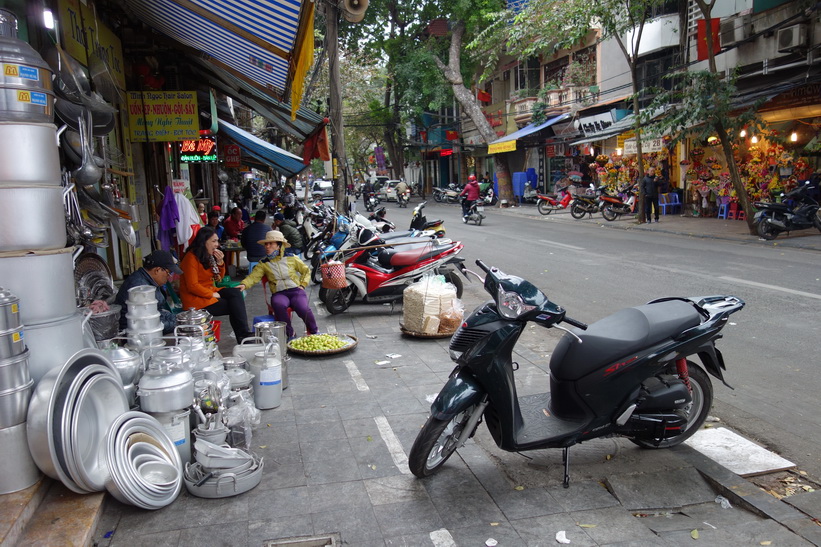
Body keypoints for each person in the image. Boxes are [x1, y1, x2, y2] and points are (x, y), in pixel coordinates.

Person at [238, 231, 318, 340]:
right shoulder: (264, 263)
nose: (267, 246)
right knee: (278, 305)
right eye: (266, 244)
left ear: (279, 245)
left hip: (296, 291)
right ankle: (290, 333)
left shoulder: (291, 258)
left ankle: (314, 331)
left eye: (271, 244)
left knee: (303, 308)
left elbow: (306, 270)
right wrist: (244, 284)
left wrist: (302, 285)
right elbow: (253, 276)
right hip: (279, 293)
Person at [179, 226, 253, 342]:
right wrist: (212, 295)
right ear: (204, 242)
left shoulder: (207, 256)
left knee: (236, 293)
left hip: (210, 290)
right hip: (196, 300)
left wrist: (220, 262)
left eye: (217, 241)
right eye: (213, 241)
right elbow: (192, 286)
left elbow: (219, 279)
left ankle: (243, 334)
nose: (217, 244)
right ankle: (243, 335)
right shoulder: (191, 258)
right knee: (234, 306)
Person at [113, 250, 182, 334]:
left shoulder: (149, 280)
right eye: (168, 273)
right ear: (157, 270)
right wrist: (179, 323)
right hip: (136, 336)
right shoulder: (140, 287)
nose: (169, 277)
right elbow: (147, 323)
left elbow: (157, 312)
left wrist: (179, 319)